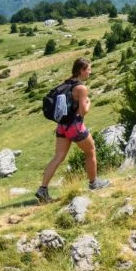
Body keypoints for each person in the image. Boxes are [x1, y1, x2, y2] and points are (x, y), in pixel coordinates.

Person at [36, 58, 110, 202]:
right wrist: (89, 103)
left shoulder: (66, 83)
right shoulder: (81, 88)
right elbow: (83, 112)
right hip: (75, 126)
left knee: (58, 157)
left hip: (62, 126)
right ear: (82, 70)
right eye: (89, 69)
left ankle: (43, 189)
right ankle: (94, 183)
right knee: (91, 151)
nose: (90, 72)